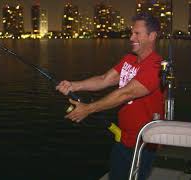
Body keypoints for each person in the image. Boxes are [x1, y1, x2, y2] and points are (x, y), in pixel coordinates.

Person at [56, 13, 164, 180]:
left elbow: (125, 93)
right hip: (123, 139)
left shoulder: (156, 66)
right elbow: (104, 79)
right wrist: (73, 85)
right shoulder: (129, 59)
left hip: (143, 143)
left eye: (137, 33)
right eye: (131, 32)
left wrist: (88, 109)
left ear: (152, 36)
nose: (131, 37)